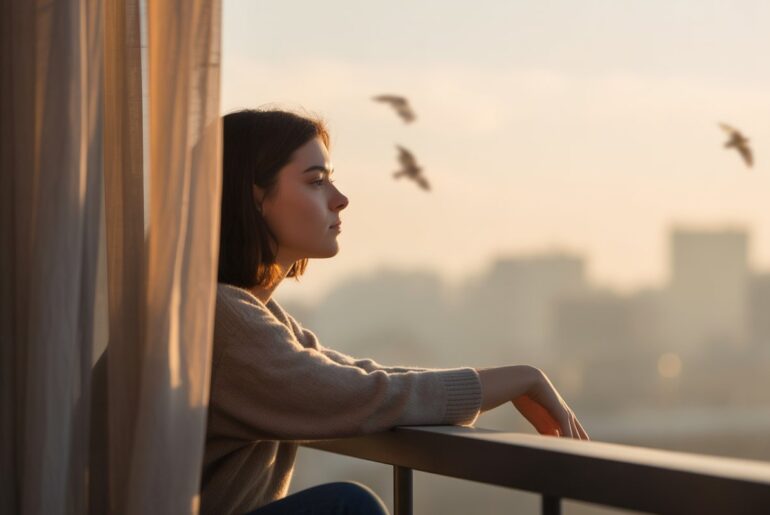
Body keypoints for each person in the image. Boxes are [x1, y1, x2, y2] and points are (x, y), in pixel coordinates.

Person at [200, 108, 589, 515]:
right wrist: (515, 380)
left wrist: (513, 379)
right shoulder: (222, 316)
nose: (341, 199)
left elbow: (358, 376)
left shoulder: (254, 315)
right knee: (346, 507)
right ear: (255, 198)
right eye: (316, 182)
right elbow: (358, 395)